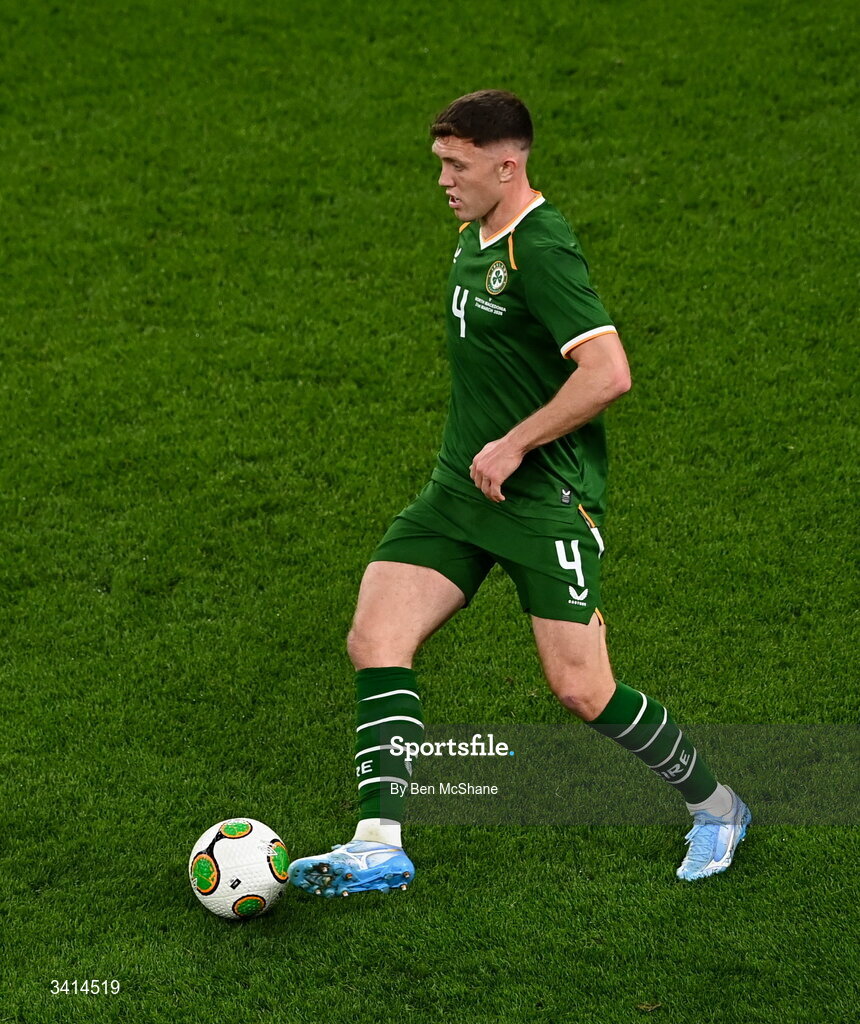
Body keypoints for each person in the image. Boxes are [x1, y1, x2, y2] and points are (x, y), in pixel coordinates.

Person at [288, 90, 750, 896]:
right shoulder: (474, 235)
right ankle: (378, 844)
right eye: (440, 162)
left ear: (509, 164)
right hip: (459, 492)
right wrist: (482, 451)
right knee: (375, 636)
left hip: (544, 504)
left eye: (456, 165)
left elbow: (609, 373)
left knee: (581, 689)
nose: (442, 179)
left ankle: (717, 807)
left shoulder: (542, 247)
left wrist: (513, 443)